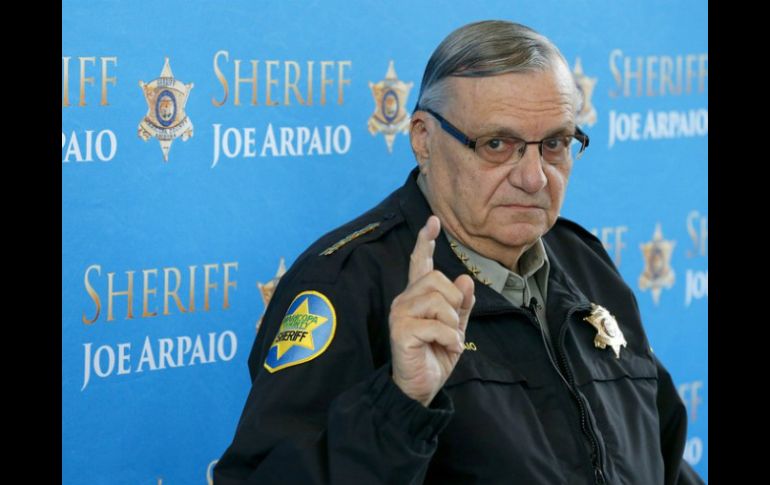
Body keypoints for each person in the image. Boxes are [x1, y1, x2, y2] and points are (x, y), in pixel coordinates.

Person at [214, 20, 704, 485]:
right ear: (423, 140)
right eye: (497, 144)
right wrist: (401, 403)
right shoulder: (346, 284)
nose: (534, 177)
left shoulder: (585, 263)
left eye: (555, 143)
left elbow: (661, 458)